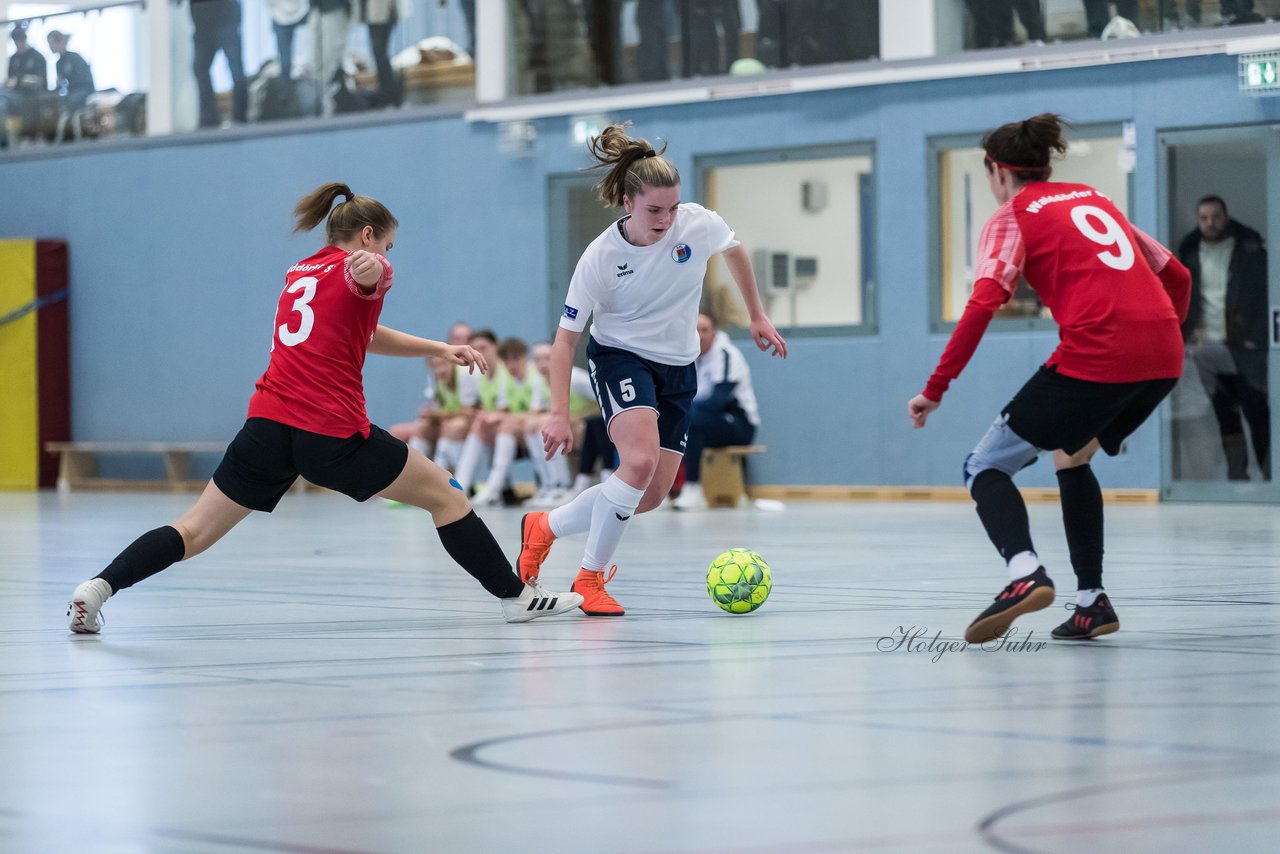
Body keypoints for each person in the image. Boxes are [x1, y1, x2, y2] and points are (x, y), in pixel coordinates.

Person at [66, 182, 581, 634]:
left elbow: (362, 330)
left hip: (266, 426)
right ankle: (518, 599)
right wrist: (373, 267)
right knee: (447, 496)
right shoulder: (366, 266)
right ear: (366, 236)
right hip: (330, 431)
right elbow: (368, 278)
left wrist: (437, 348)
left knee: (194, 530)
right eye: (388, 243)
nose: (388, 253)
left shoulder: (300, 271)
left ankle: (98, 587)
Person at [908, 114, 1191, 643]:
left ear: (995, 170)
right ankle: (1091, 603)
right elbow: (1177, 274)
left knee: (984, 465)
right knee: (1072, 455)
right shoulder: (1092, 198)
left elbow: (983, 304)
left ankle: (1023, 574)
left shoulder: (1012, 216)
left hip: (1098, 353)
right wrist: (1160, 340)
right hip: (1165, 356)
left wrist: (934, 389)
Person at [517, 123, 787, 616]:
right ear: (627, 203)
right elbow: (565, 340)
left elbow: (735, 252)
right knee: (635, 465)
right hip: (621, 356)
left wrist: (757, 314)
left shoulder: (696, 223)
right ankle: (590, 579)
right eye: (653, 210)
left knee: (647, 496)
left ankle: (544, 526)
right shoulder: (599, 258)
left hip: (679, 367)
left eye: (672, 207)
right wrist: (558, 412)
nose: (666, 219)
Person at [1176, 195, 1270, 481]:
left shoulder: (1249, 251)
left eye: (1215, 217)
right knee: (1225, 416)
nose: (1210, 223)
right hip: (1206, 348)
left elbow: (1263, 298)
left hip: (1244, 348)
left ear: (1226, 217)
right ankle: (1236, 475)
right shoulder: (1190, 254)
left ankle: (1269, 476)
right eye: (1204, 218)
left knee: (1257, 412)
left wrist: (1256, 337)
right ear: (1197, 220)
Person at [673, 311, 761, 511]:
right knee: (668, 421)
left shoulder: (726, 355)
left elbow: (717, 402)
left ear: (714, 333)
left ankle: (693, 488)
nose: (701, 335)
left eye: (705, 330)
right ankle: (661, 490)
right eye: (696, 331)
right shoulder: (688, 358)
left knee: (691, 420)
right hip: (705, 420)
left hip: (739, 423)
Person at [189, 0, 249, 127]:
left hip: (226, 20)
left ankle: (241, 117)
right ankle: (208, 119)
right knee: (200, 69)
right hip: (202, 26)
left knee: (236, 70)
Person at [2, 25, 48, 145]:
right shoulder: (13, 58)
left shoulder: (37, 57)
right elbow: (10, 80)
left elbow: (40, 81)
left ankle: (10, 139)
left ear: (25, 39)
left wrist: (20, 80)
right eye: (16, 40)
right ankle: (8, 138)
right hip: (13, 95)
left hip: (31, 97)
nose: (18, 43)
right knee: (2, 102)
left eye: (20, 39)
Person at [46, 30, 94, 142]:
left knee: (70, 102)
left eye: (51, 43)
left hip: (84, 91)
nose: (50, 47)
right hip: (71, 93)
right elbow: (60, 84)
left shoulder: (75, 58)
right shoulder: (58, 63)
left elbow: (85, 82)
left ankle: (71, 136)